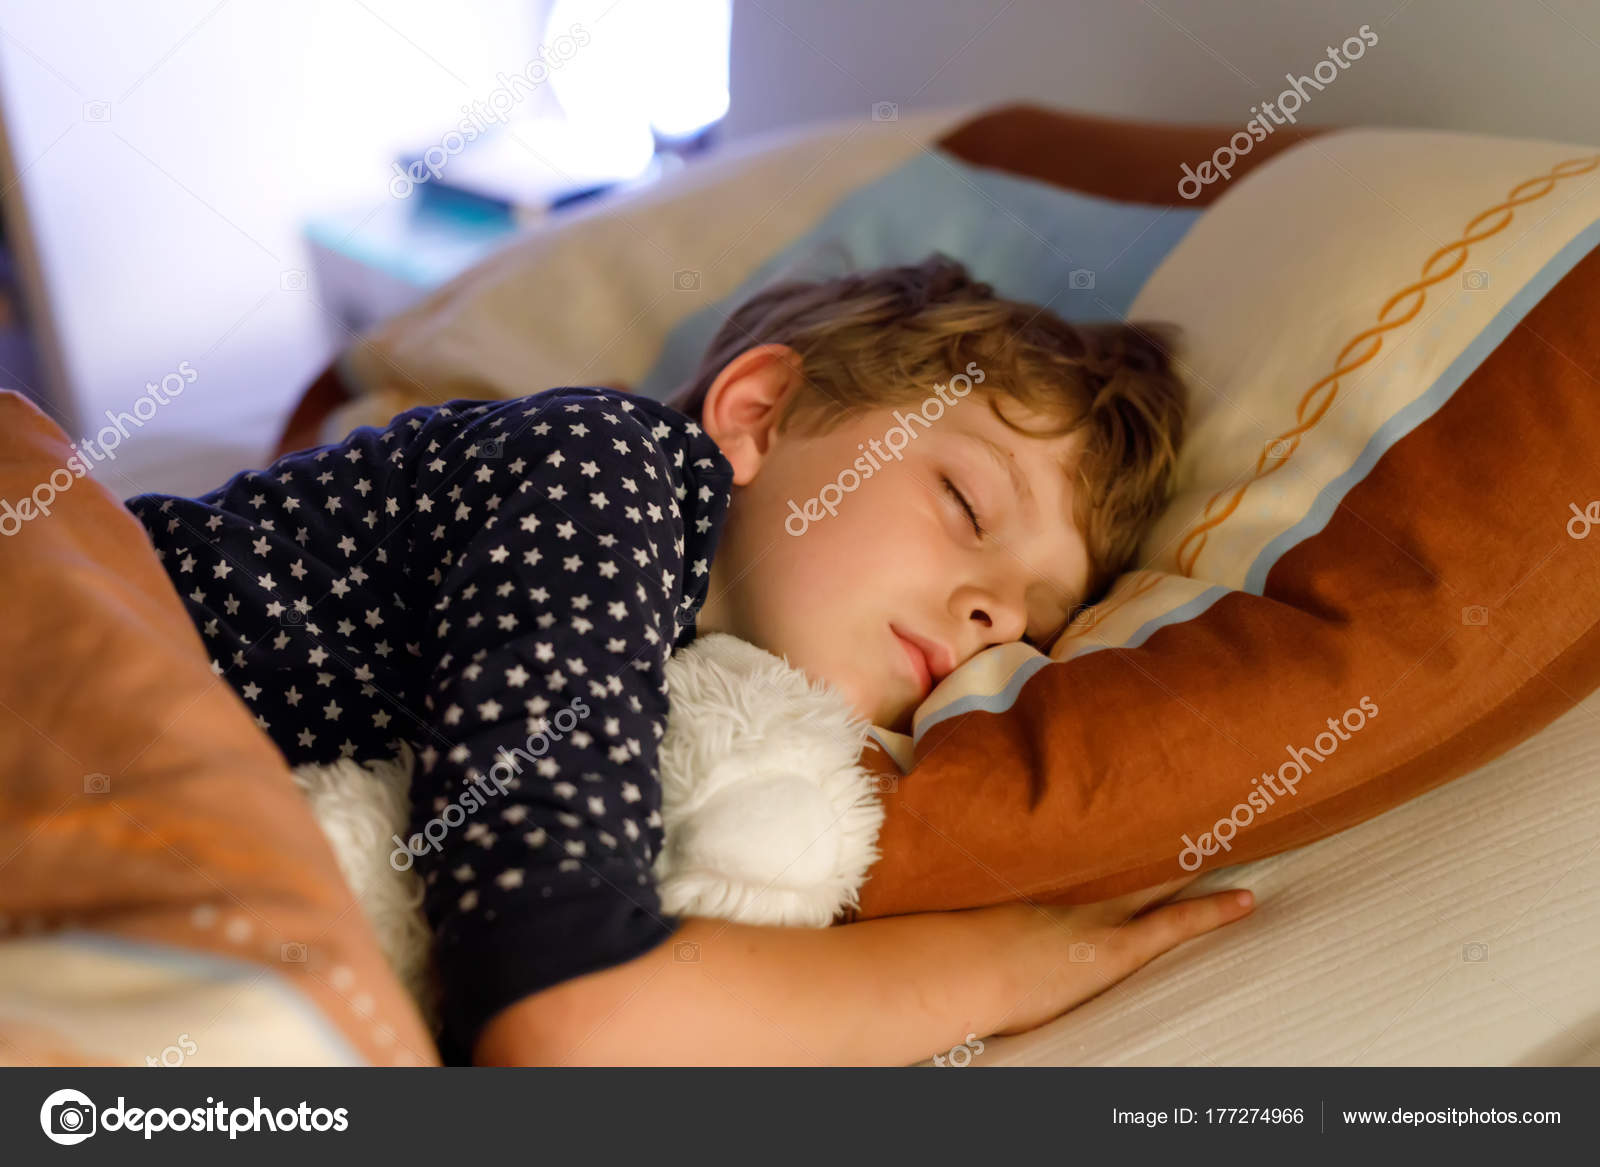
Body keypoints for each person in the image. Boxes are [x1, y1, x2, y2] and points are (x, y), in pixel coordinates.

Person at [126, 253, 1254, 1066]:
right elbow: (562, 1008)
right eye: (963, 501)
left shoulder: (693, 664)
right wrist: (1000, 969)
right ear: (758, 413)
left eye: (1031, 622)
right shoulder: (599, 471)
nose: (987, 615)